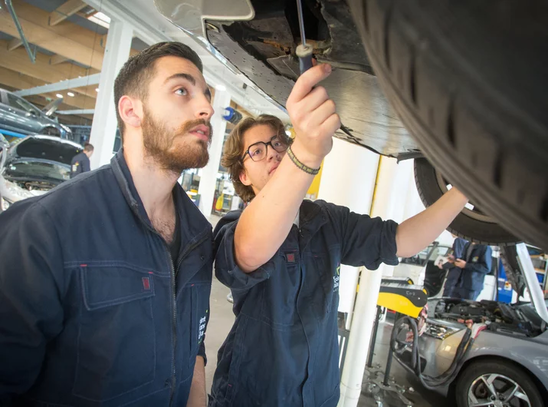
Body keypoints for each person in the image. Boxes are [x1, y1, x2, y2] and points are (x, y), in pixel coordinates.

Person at [209, 63, 470, 407]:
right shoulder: (235, 226)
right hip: (255, 392)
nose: (273, 151)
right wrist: (308, 151)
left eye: (278, 142)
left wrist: (465, 189)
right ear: (243, 175)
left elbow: (402, 241)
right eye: (257, 151)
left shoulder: (326, 220)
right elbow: (249, 252)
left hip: (318, 391)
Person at [0, 42, 215, 407]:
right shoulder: (45, 229)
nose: (206, 108)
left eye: (206, 95)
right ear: (131, 111)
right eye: (182, 90)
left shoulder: (199, 234)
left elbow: (193, 342)